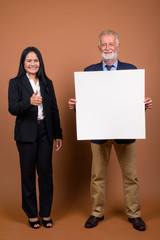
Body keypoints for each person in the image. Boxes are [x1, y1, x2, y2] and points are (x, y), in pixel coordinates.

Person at [68, 30, 152, 231]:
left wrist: (143, 105)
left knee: (131, 176)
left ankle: (134, 215)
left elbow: (131, 105)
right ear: (99, 48)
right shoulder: (89, 72)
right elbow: (88, 106)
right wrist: (76, 106)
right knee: (97, 176)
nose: (107, 48)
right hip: (98, 133)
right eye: (103, 45)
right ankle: (97, 213)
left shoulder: (131, 70)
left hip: (125, 132)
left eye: (111, 44)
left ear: (118, 46)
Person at [8, 47, 62, 229]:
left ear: (40, 62)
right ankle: (32, 214)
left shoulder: (47, 83)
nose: (33, 64)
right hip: (26, 135)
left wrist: (58, 134)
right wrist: (28, 102)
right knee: (28, 174)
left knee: (46, 174)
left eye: (36, 60)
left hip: (45, 132)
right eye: (29, 60)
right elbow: (12, 108)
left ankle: (45, 213)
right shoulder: (15, 83)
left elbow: (54, 109)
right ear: (23, 63)